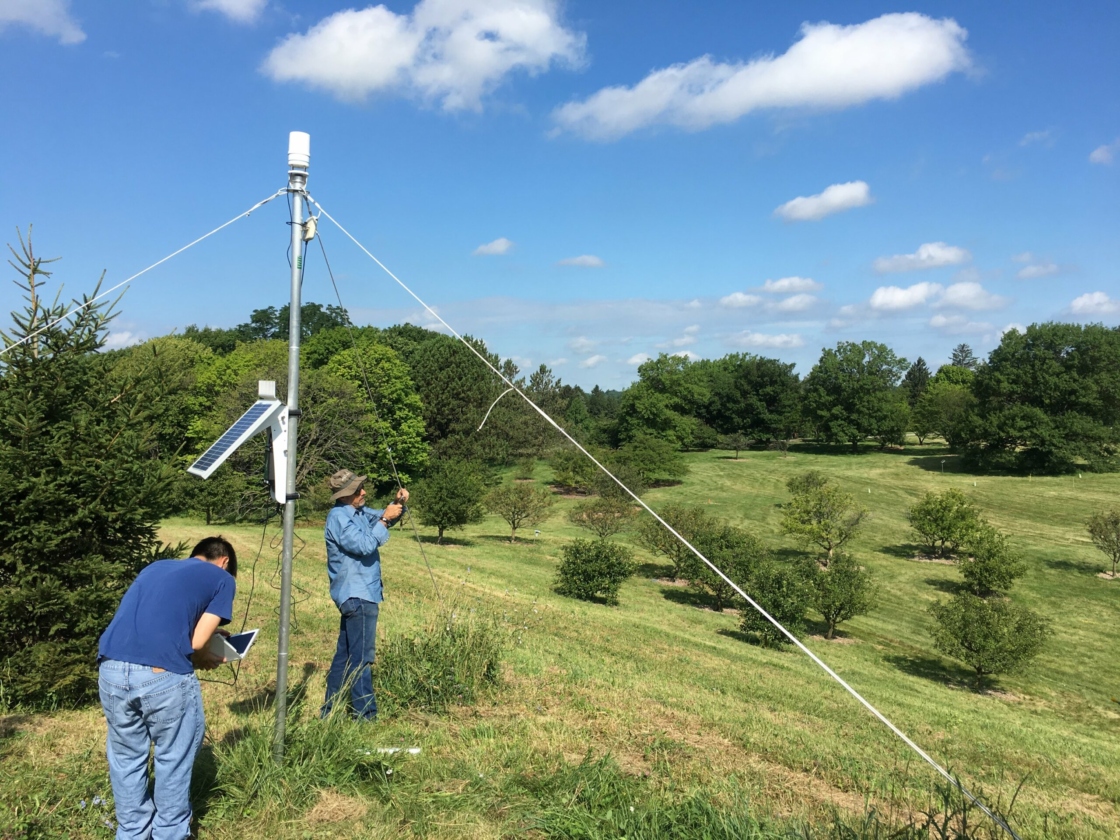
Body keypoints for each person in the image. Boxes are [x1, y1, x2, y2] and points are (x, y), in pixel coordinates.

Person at [96, 536, 237, 840]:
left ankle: (132, 832)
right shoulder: (222, 578)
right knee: (173, 757)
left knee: (125, 757)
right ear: (224, 561)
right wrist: (203, 656)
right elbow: (197, 643)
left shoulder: (156, 567)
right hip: (161, 675)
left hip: (110, 668)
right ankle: (170, 833)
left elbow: (158, 618)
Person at [321, 468, 408, 720]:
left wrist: (397, 503)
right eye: (358, 490)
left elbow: (385, 517)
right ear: (346, 494)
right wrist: (383, 520)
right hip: (357, 595)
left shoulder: (357, 512)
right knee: (361, 658)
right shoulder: (339, 517)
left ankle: (331, 712)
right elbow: (364, 544)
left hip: (361, 594)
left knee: (345, 656)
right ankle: (365, 716)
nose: (364, 492)